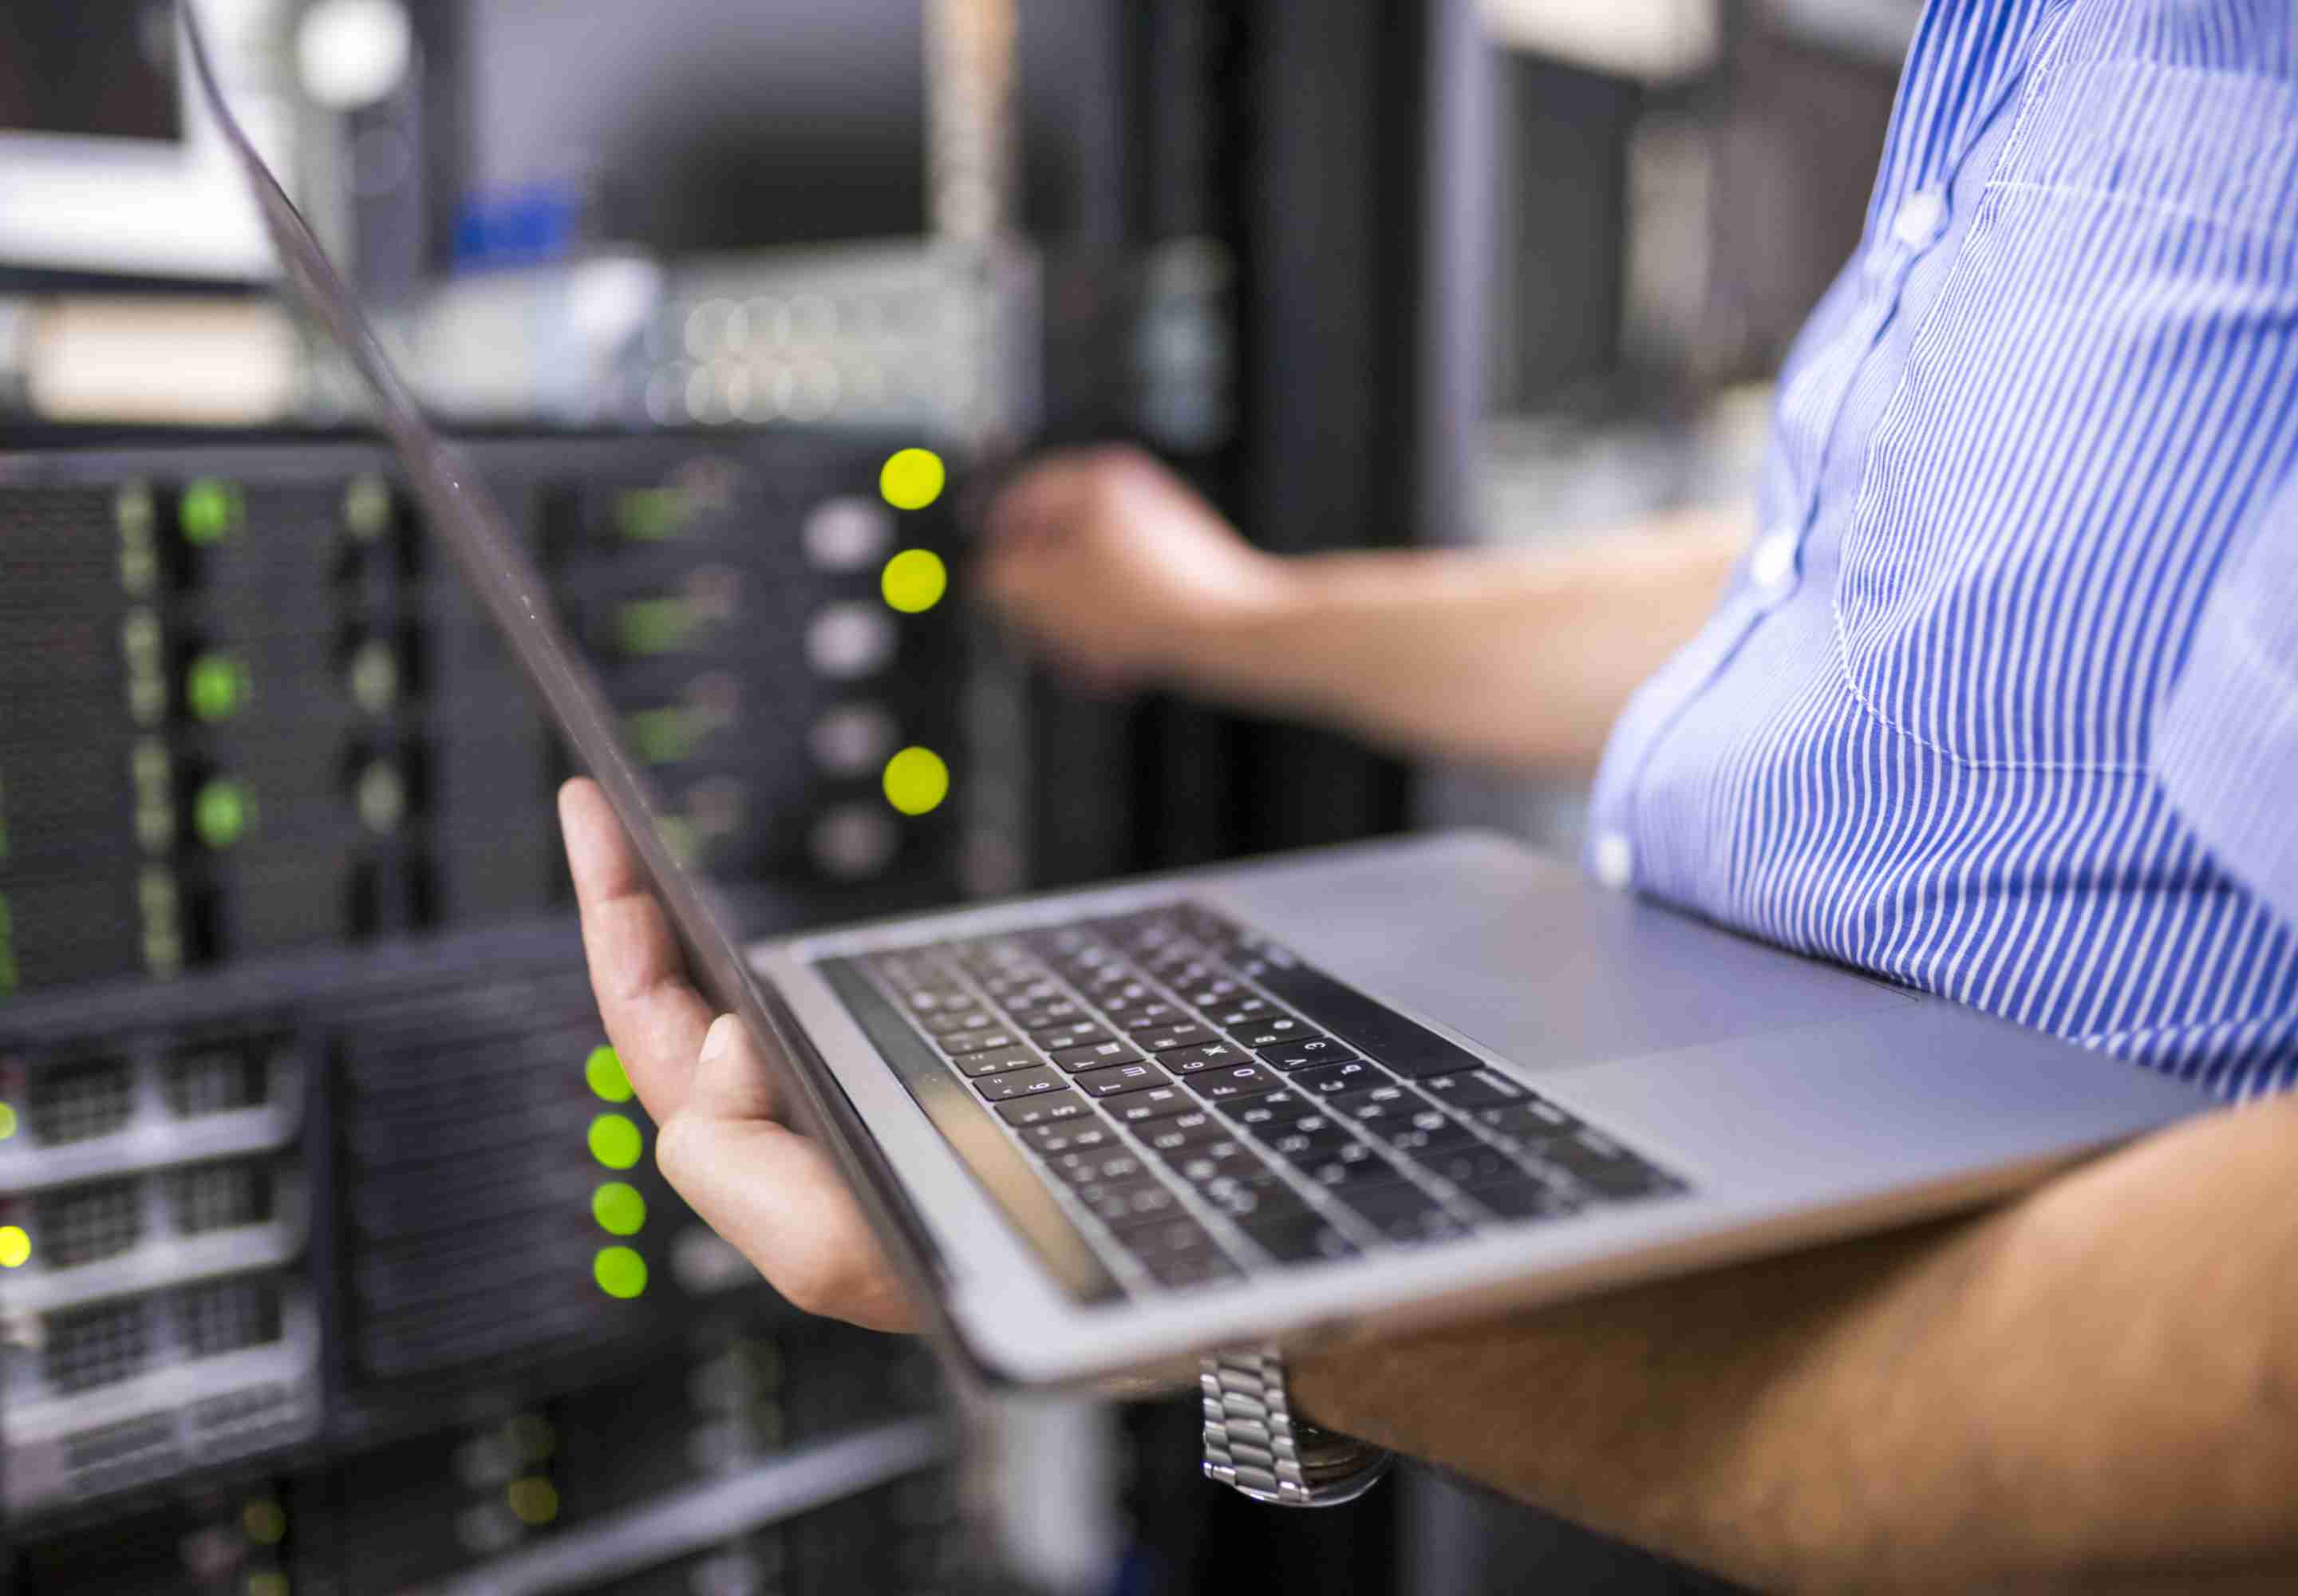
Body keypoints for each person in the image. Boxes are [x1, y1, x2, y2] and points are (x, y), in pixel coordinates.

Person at [558, 2, 2298, 1587]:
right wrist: (1226, 619)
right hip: (1722, 1314)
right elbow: (1889, 604)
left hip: (1969, 1456)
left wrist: (1260, 1273)